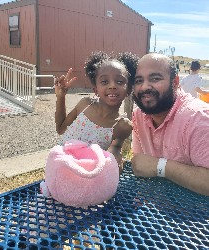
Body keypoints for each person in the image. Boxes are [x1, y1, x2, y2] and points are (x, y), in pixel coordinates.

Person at [131, 53, 209, 196]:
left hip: (195, 214)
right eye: (138, 80)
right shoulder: (139, 115)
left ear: (175, 82)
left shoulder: (198, 118)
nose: (144, 87)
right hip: (154, 206)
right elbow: (140, 163)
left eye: (155, 78)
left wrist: (160, 166)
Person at [54, 51, 137, 173]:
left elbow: (115, 149)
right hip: (59, 165)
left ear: (128, 90)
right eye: (104, 82)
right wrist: (60, 97)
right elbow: (60, 129)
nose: (112, 86)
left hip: (87, 176)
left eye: (120, 82)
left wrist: (115, 160)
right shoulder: (85, 105)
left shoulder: (123, 126)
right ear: (96, 89)